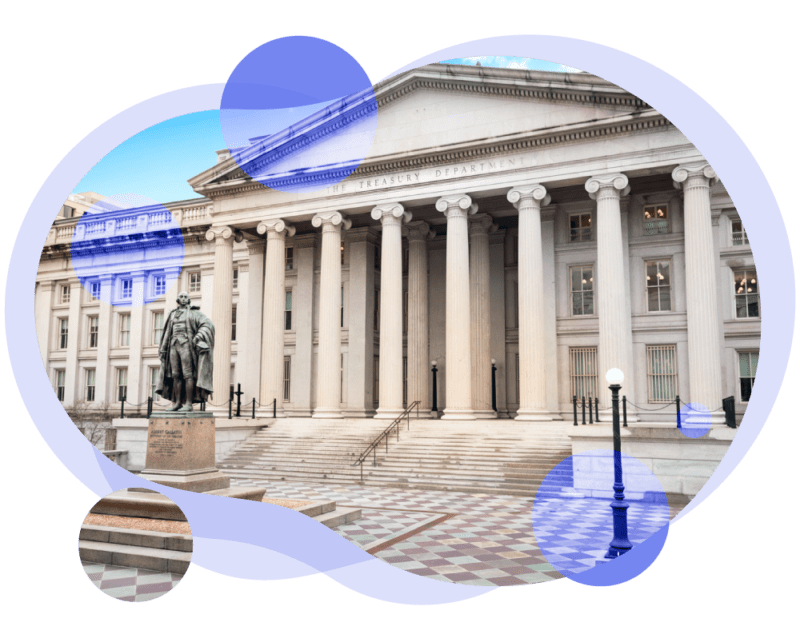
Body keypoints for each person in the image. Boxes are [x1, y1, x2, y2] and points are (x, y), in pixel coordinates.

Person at [156, 292, 215, 412]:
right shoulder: (172, 314)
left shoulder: (194, 312)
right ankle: (177, 403)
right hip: (173, 346)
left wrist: (199, 336)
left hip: (186, 345)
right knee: (175, 375)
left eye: (186, 297)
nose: (183, 299)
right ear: (178, 299)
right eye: (181, 297)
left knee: (188, 375)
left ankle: (188, 404)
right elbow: (168, 332)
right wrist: (163, 348)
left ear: (189, 300)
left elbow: (208, 324)